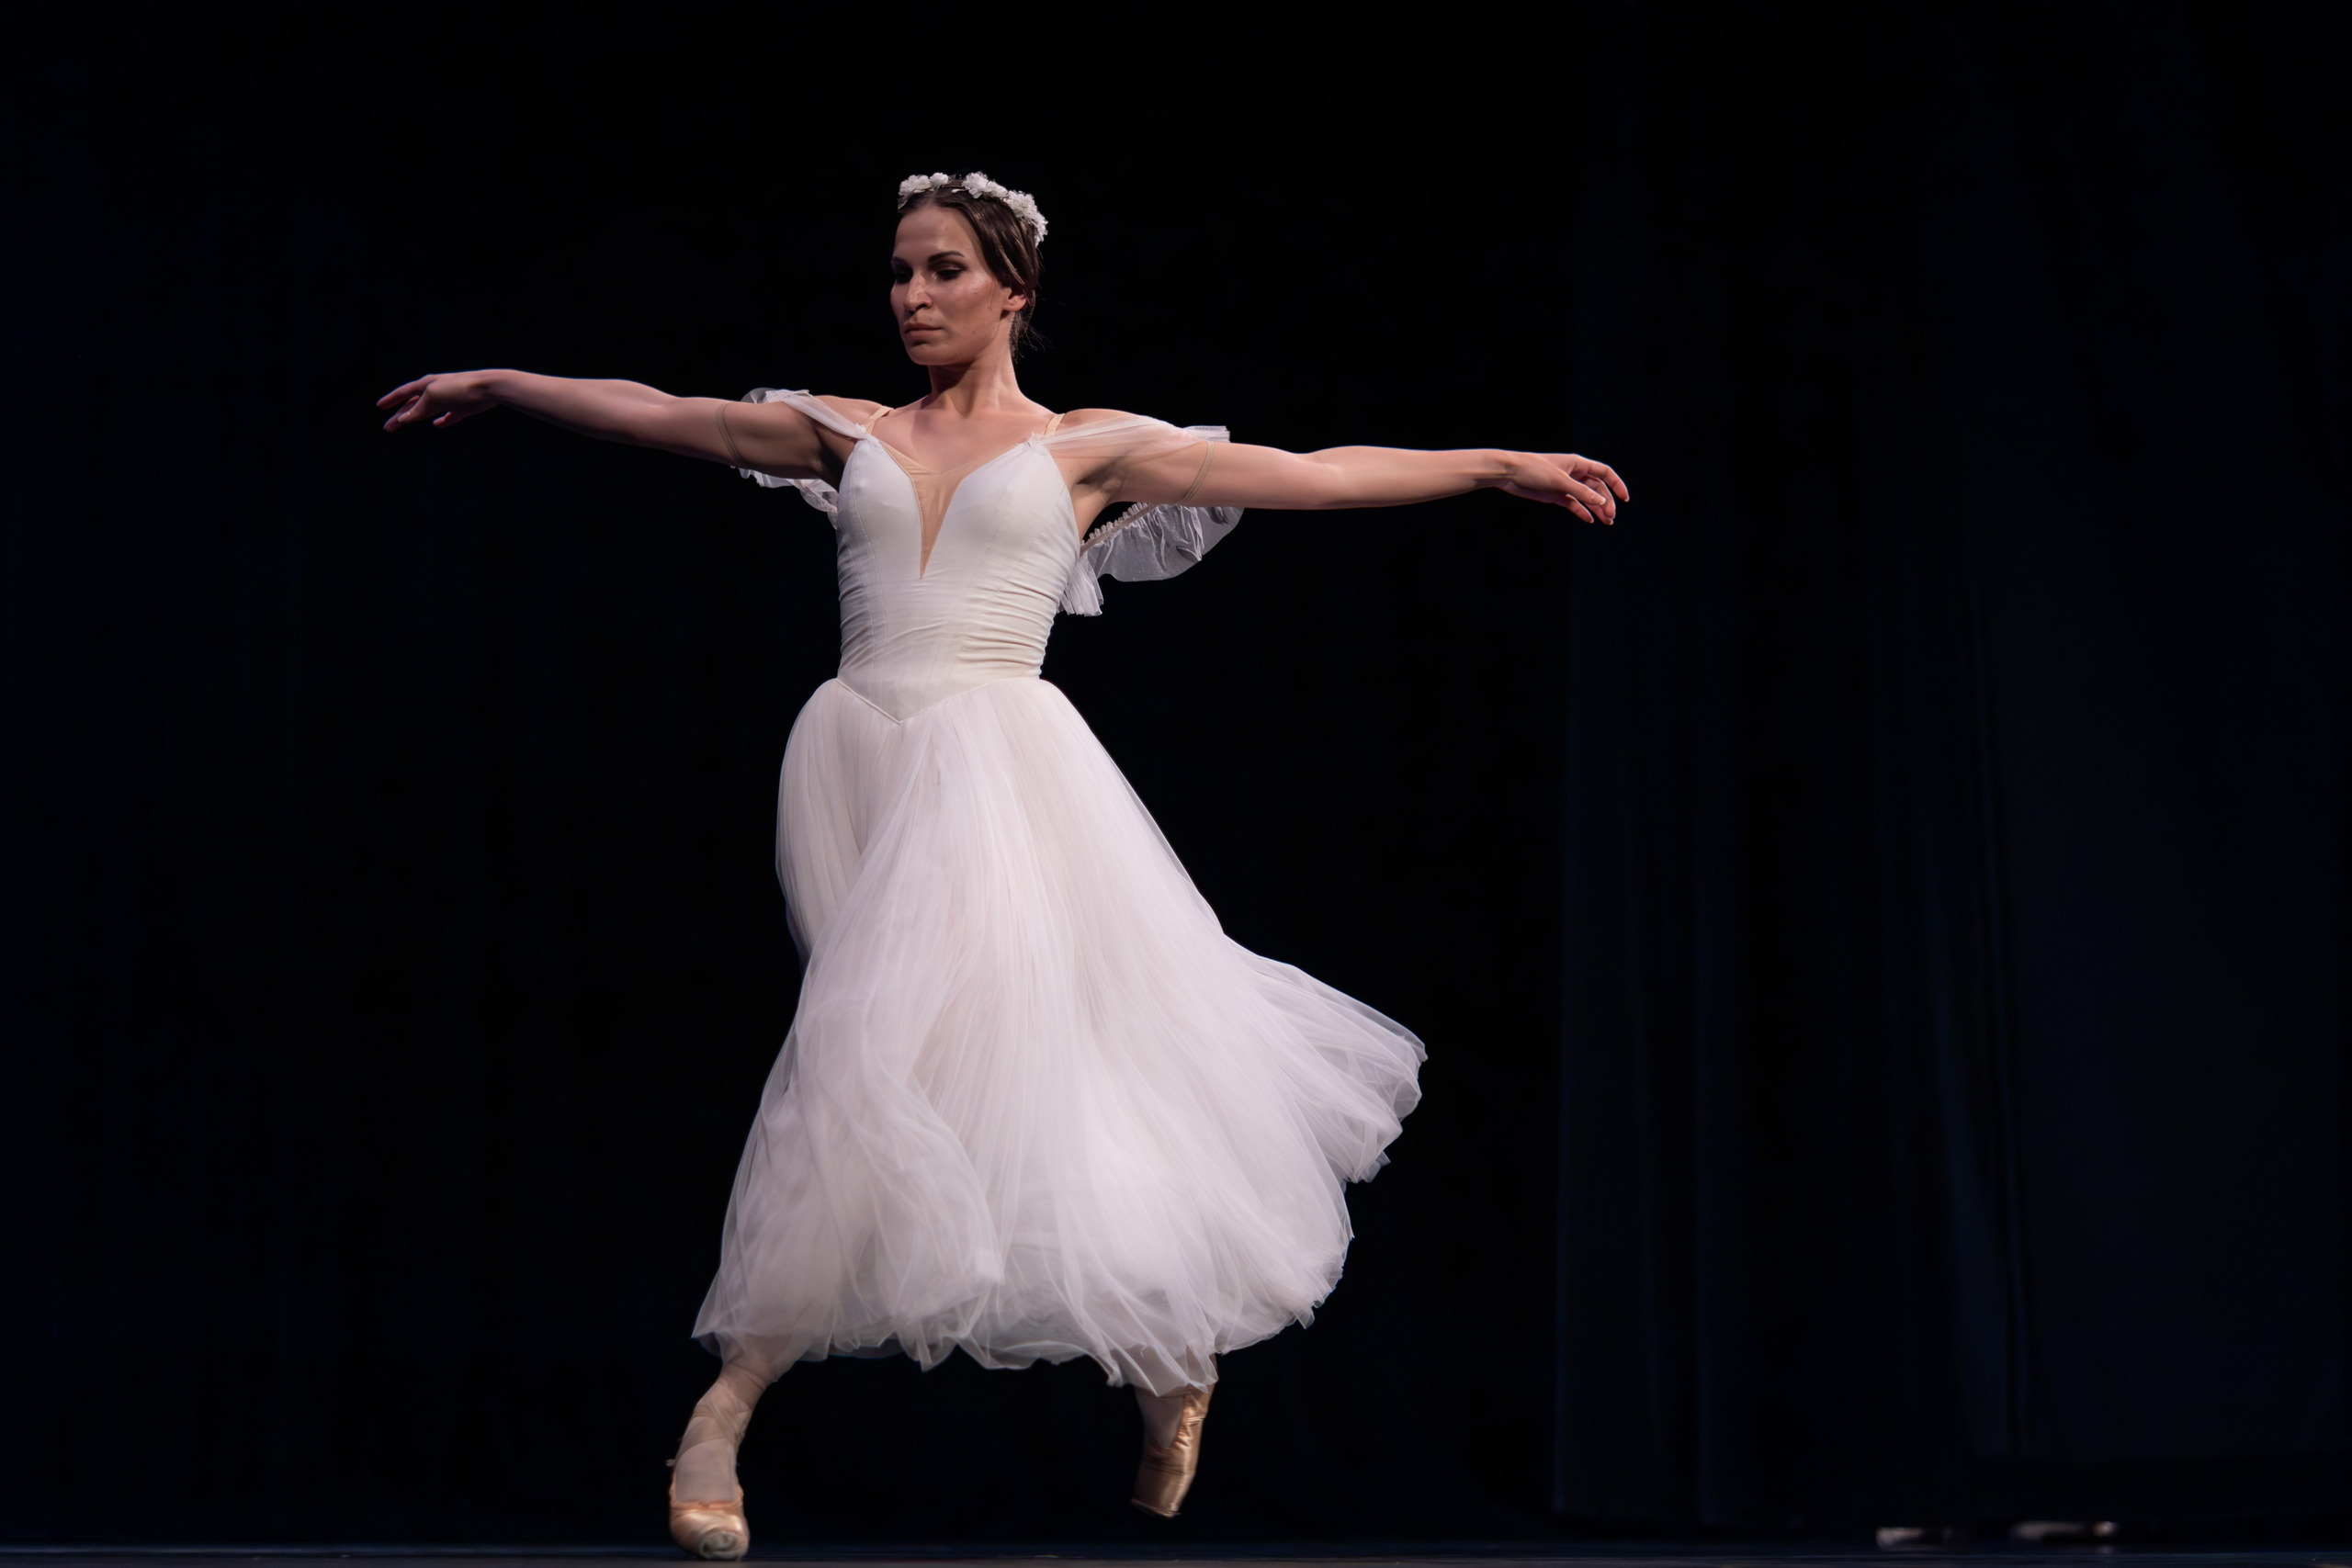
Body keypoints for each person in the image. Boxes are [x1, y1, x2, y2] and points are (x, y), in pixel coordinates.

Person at [379, 171, 1627, 1558]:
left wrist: (1498, 465)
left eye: (944, 272)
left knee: (879, 1063)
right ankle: (1165, 1365)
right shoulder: (841, 433)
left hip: (1002, 770)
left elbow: (1311, 475)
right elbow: (663, 412)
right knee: (929, 1073)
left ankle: (730, 1409)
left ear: (1012, 292)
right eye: (901, 274)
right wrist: (504, 380)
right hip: (856, 764)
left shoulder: (1089, 449)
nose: (913, 296)